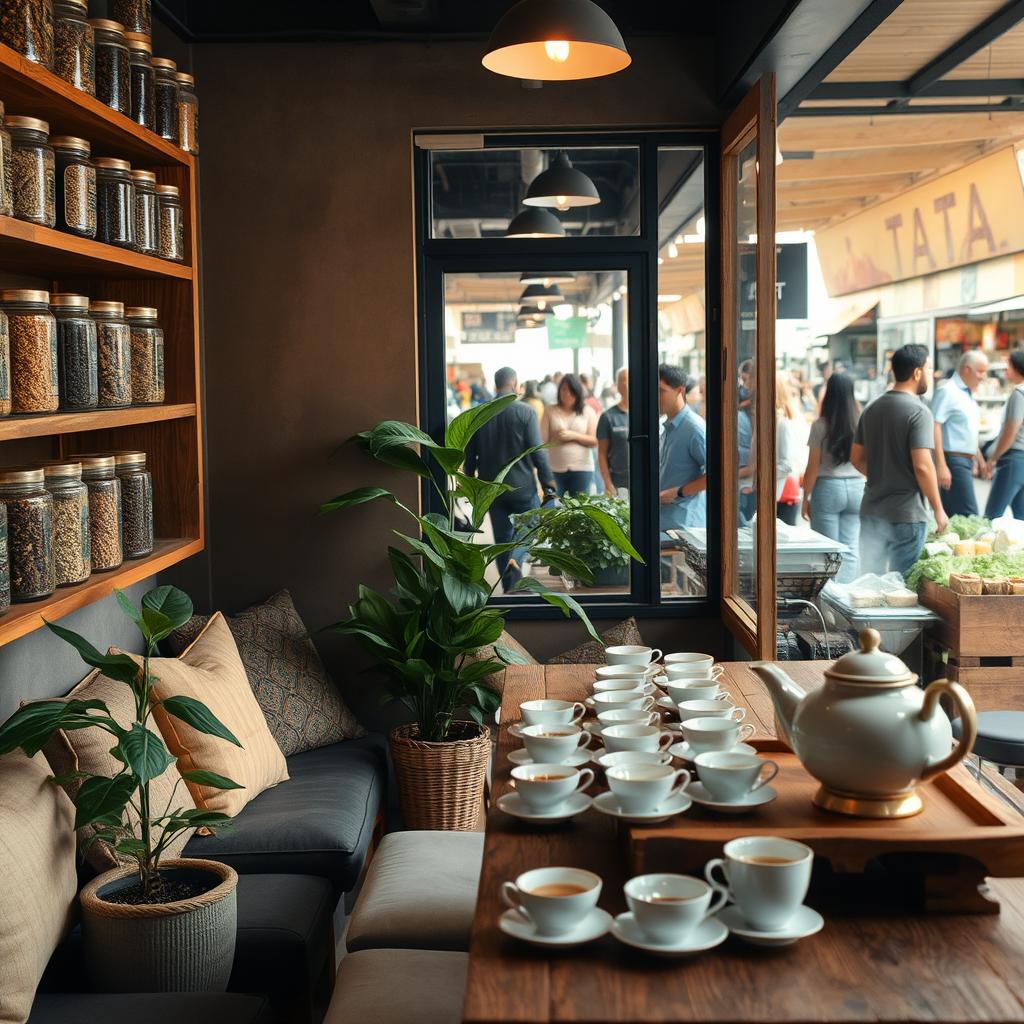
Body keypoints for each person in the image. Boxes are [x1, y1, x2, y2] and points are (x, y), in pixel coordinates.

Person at [851, 344, 948, 576]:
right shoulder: (919, 411)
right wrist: (938, 509)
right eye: (928, 368)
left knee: (869, 582)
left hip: (872, 509)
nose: (930, 375)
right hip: (906, 515)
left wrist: (881, 474)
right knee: (901, 587)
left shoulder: (871, 409)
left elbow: (855, 458)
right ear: (917, 372)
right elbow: (923, 466)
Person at [464, 367, 555, 592]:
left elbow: (470, 454)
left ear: (496, 385)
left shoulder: (480, 412)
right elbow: (537, 451)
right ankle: (516, 559)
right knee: (530, 526)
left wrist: (471, 484)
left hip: (491, 488)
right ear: (514, 384)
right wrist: (548, 484)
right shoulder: (526, 412)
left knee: (502, 540)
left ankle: (510, 591)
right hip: (522, 488)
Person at [801, 373, 865, 582]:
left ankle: (829, 599)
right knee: (851, 548)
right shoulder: (860, 422)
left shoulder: (820, 425)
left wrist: (805, 498)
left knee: (827, 550)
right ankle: (846, 598)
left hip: (827, 489)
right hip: (857, 488)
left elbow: (812, 467)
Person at [931, 349, 989, 517]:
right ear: (966, 368)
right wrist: (941, 466)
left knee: (955, 517)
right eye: (980, 371)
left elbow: (967, 431)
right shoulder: (947, 391)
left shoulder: (967, 394)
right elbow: (935, 427)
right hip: (953, 462)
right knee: (969, 515)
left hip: (963, 461)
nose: (983, 376)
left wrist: (979, 459)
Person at [658, 365, 706, 532]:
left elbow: (719, 474)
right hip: (666, 524)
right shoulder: (667, 426)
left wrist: (679, 491)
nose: (655, 397)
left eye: (660, 391)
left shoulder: (694, 429)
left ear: (679, 391)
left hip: (685, 527)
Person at [542, 372, 598, 495]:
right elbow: (542, 441)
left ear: (577, 392)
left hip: (582, 468)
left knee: (579, 509)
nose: (566, 393)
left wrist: (574, 436)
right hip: (555, 469)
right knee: (556, 509)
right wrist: (557, 438)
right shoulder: (549, 410)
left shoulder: (587, 411)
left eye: (571, 390)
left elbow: (594, 441)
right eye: (563, 389)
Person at [985, 349, 1024, 519]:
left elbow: (1011, 431)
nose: (1005, 370)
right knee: (1021, 517)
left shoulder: (1019, 393)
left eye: (1008, 366)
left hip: (1013, 460)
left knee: (992, 516)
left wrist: (993, 459)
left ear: (1018, 368)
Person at [775, 372, 804, 525]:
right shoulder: (783, 420)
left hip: (784, 490)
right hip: (782, 488)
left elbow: (787, 463)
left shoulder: (783, 423)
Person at [597, 367, 629, 495]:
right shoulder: (608, 417)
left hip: (645, 480)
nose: (627, 384)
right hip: (618, 482)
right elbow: (601, 453)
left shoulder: (647, 415)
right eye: (624, 381)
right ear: (617, 385)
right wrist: (607, 483)